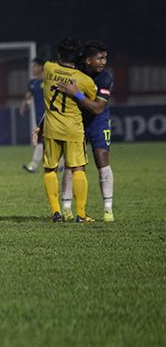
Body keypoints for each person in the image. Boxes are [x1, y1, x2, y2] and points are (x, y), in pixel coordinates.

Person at [40, 38, 104, 223]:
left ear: (59, 54)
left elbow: (54, 66)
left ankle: (56, 212)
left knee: (50, 169)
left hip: (51, 128)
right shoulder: (85, 81)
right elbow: (93, 103)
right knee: (78, 169)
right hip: (73, 129)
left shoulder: (48, 68)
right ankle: (81, 214)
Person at [57, 41, 115, 222]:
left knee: (101, 159)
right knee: (72, 163)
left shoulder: (105, 78)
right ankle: (66, 208)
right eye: (99, 58)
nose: (103, 61)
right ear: (88, 60)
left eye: (105, 58)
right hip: (77, 121)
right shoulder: (74, 72)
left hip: (98, 121)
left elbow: (98, 108)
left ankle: (107, 209)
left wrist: (77, 94)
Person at [20, 58, 46, 173]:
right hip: (39, 116)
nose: (32, 69)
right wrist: (23, 107)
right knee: (48, 140)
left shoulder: (49, 81)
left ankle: (33, 165)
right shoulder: (32, 83)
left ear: (41, 67)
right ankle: (62, 165)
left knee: (42, 140)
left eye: (34, 66)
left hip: (51, 115)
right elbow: (28, 97)